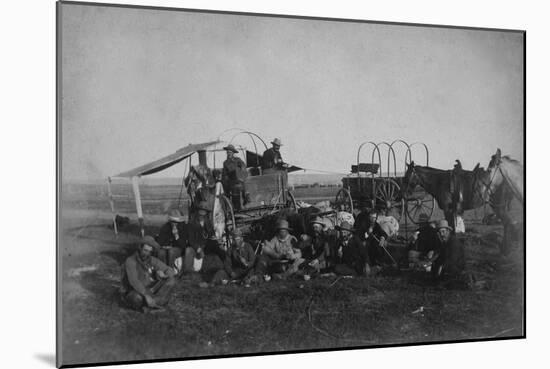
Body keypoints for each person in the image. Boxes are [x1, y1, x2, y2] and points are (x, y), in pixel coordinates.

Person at [120, 236, 176, 312]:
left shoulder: (151, 259)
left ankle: (150, 304)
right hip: (134, 290)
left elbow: (169, 269)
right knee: (136, 298)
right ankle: (156, 303)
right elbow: (134, 282)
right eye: (145, 250)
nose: (147, 254)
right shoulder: (130, 261)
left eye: (150, 251)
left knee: (171, 281)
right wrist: (145, 295)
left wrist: (164, 274)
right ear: (140, 248)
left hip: (150, 289)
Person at [184, 203, 215, 275]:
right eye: (200, 214)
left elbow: (211, 236)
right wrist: (198, 249)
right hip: (196, 247)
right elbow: (191, 240)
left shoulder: (208, 223)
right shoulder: (191, 224)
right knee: (188, 250)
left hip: (206, 246)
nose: (202, 216)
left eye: (204, 214)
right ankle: (188, 272)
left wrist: (212, 236)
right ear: (197, 213)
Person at [155, 209, 188, 273]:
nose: (175, 223)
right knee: (161, 252)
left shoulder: (183, 227)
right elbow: (160, 241)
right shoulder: (165, 227)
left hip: (178, 248)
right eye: (173, 221)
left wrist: (176, 236)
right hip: (166, 247)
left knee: (171, 252)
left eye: (176, 222)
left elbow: (183, 245)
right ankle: (162, 271)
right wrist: (165, 245)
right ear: (170, 221)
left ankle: (171, 271)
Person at [222, 144, 248, 210]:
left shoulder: (237, 160)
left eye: (230, 152)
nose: (229, 154)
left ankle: (246, 199)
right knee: (232, 187)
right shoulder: (225, 163)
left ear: (233, 153)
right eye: (227, 152)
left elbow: (243, 165)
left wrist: (241, 169)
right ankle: (234, 206)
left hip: (240, 179)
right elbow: (225, 174)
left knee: (244, 185)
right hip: (231, 181)